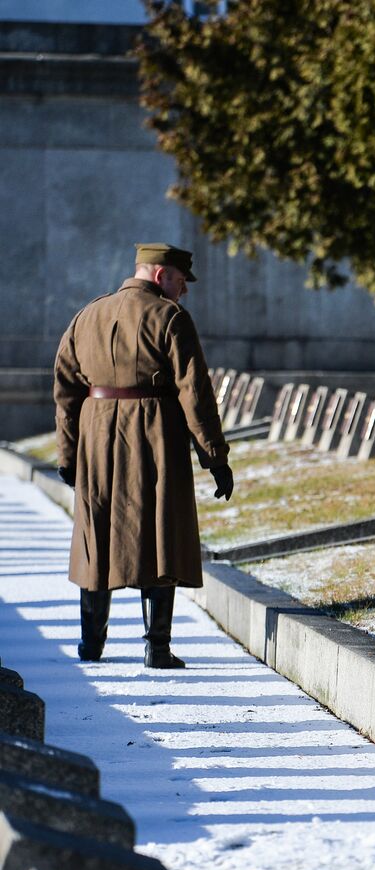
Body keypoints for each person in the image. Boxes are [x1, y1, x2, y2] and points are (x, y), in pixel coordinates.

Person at [53, 243, 234, 669]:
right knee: (159, 533)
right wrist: (215, 457)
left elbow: (64, 389)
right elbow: (195, 393)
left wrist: (67, 453)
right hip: (154, 434)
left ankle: (91, 645)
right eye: (179, 280)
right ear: (159, 275)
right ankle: (157, 647)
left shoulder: (86, 315)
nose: (184, 290)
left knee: (96, 536)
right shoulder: (170, 318)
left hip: (96, 435)